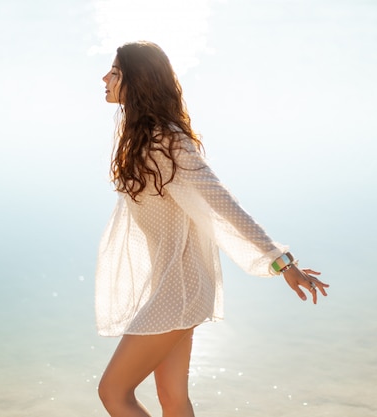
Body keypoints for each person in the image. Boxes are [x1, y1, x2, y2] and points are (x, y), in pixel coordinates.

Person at [95, 40, 329, 417]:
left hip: (179, 289)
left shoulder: (166, 140)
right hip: (174, 285)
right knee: (173, 399)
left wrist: (281, 261)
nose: (104, 78)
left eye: (116, 73)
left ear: (138, 82)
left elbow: (223, 205)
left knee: (113, 391)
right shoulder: (145, 137)